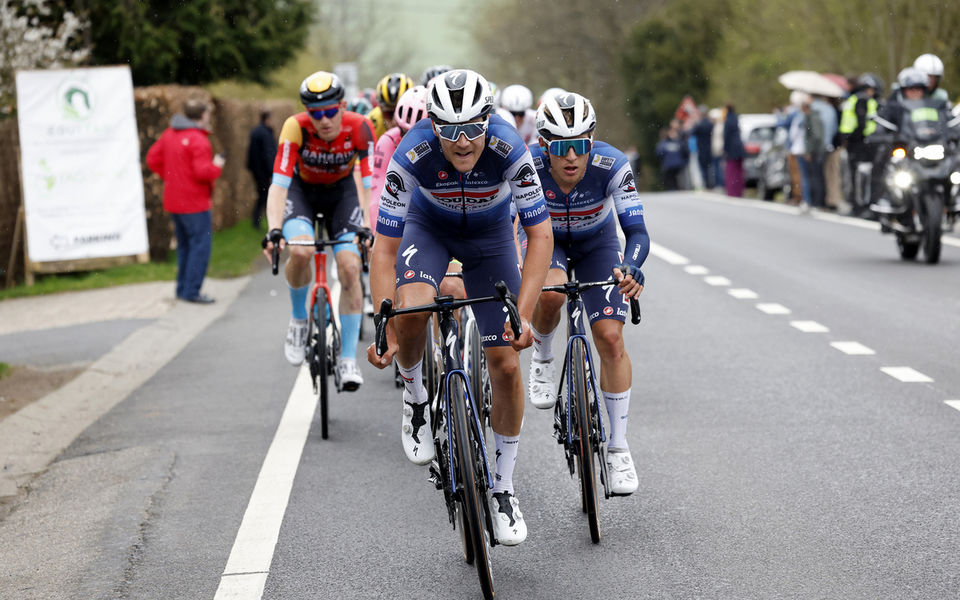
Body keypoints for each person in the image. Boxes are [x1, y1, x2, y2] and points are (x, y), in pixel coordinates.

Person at [366, 69, 554, 546]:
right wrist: (383, 323)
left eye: (473, 127)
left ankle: (503, 489)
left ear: (488, 120)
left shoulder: (511, 149)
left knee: (506, 365)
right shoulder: (412, 153)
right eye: (450, 130)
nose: (463, 141)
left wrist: (525, 315)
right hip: (429, 230)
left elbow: (540, 236)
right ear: (433, 125)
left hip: (491, 238)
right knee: (412, 310)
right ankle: (415, 399)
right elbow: (384, 251)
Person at [524, 91, 648, 495]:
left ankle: (618, 447)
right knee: (553, 294)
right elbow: (509, 230)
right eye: (561, 147)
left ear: (591, 142)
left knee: (611, 338)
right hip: (547, 242)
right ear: (544, 145)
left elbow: (637, 233)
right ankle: (542, 354)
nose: (572, 157)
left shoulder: (612, 164)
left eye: (580, 145)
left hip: (598, 245)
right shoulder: (527, 166)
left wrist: (631, 266)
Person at [260, 71, 375, 390]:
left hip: (342, 194)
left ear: (342, 105)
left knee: (351, 267)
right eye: (315, 113)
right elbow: (279, 183)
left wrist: (368, 226)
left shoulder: (360, 127)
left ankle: (348, 359)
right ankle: (299, 319)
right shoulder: (295, 127)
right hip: (302, 193)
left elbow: (368, 185)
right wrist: (274, 229)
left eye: (330, 111)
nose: (323, 120)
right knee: (300, 250)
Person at [146, 99, 224, 304]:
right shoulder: (198, 139)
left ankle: (182, 289)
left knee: (184, 247)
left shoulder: (169, 134)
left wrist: (171, 177)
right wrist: (217, 165)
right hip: (195, 203)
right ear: (203, 115)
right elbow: (203, 172)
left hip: (174, 201)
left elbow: (152, 159)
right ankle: (192, 291)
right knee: (200, 246)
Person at [869, 67, 932, 214]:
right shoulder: (893, 107)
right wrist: (885, 136)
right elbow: (880, 127)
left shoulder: (932, 108)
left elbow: (944, 126)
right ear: (904, 90)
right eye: (911, 89)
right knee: (882, 161)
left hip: (926, 150)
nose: (915, 93)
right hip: (903, 149)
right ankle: (882, 198)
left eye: (919, 89)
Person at [839, 73, 882, 215]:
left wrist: (851, 138)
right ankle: (860, 205)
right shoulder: (859, 99)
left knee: (857, 176)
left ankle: (859, 206)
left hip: (859, 144)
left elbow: (861, 123)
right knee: (857, 176)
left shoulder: (861, 99)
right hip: (860, 142)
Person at [246, 109, 277, 229]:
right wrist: (271, 172)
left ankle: (257, 221)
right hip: (264, 171)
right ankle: (264, 222)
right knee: (266, 197)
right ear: (267, 119)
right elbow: (268, 154)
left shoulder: (256, 131)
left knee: (262, 195)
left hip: (257, 170)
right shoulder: (266, 133)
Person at [367, 72, 414, 138]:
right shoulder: (373, 121)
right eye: (389, 114)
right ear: (380, 108)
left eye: (401, 112)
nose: (394, 121)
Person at [655, 120, 687, 190]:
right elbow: (658, 153)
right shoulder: (664, 142)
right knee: (669, 180)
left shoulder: (680, 141)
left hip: (678, 165)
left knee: (679, 180)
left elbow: (684, 150)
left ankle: (679, 189)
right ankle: (672, 190)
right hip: (668, 166)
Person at [723, 104, 746, 197]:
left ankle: (732, 191)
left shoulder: (728, 120)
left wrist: (725, 149)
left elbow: (726, 136)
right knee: (739, 172)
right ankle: (739, 191)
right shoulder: (736, 119)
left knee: (731, 172)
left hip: (732, 149)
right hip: (739, 147)